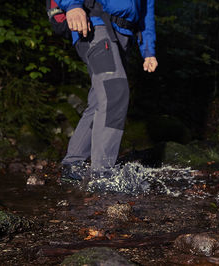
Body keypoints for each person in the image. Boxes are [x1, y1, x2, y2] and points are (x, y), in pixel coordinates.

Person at [57, 0, 158, 180]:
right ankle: (102, 175)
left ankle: (73, 162)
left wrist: (148, 50)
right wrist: (72, 5)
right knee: (115, 92)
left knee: (100, 99)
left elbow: (146, 11)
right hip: (94, 25)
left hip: (124, 36)